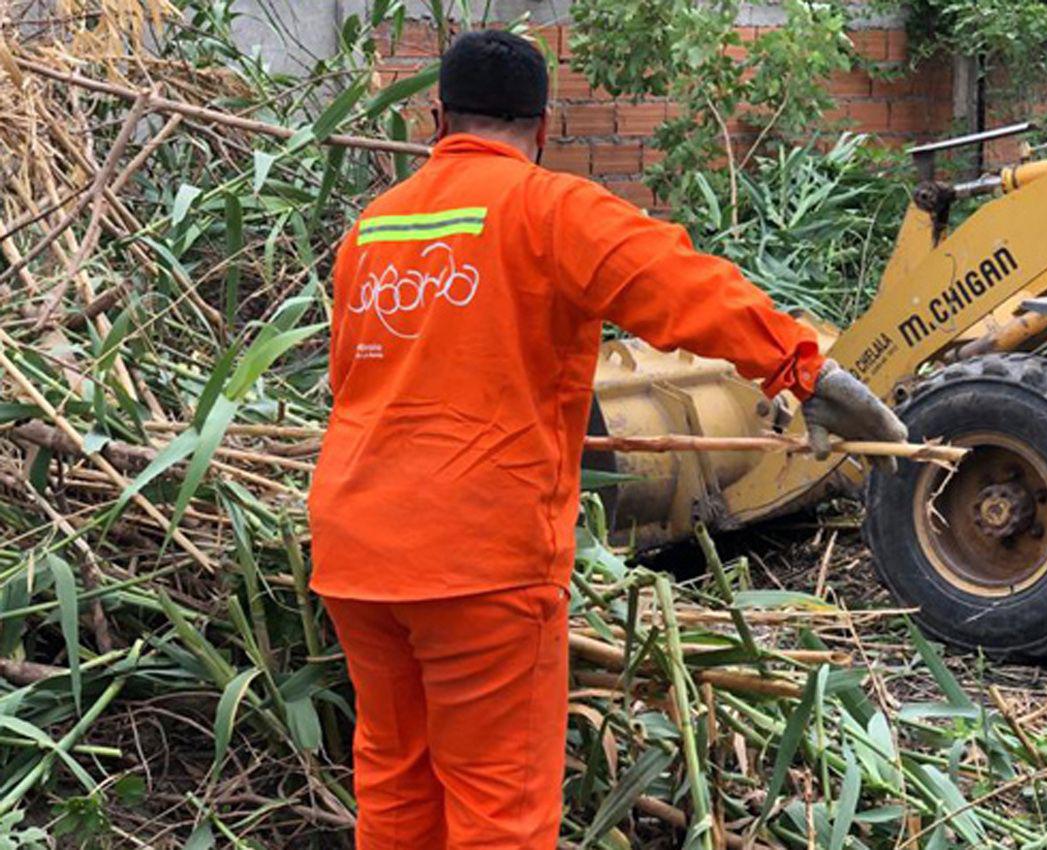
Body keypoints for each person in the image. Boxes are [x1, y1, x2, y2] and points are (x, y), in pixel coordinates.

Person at [307, 29, 906, 850]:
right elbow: (684, 287)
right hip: (477, 560)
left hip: (354, 549)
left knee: (396, 779)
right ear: (543, 127)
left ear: (435, 118)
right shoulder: (552, 209)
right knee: (499, 814)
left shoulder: (372, 231)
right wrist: (804, 369)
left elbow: (350, 384)